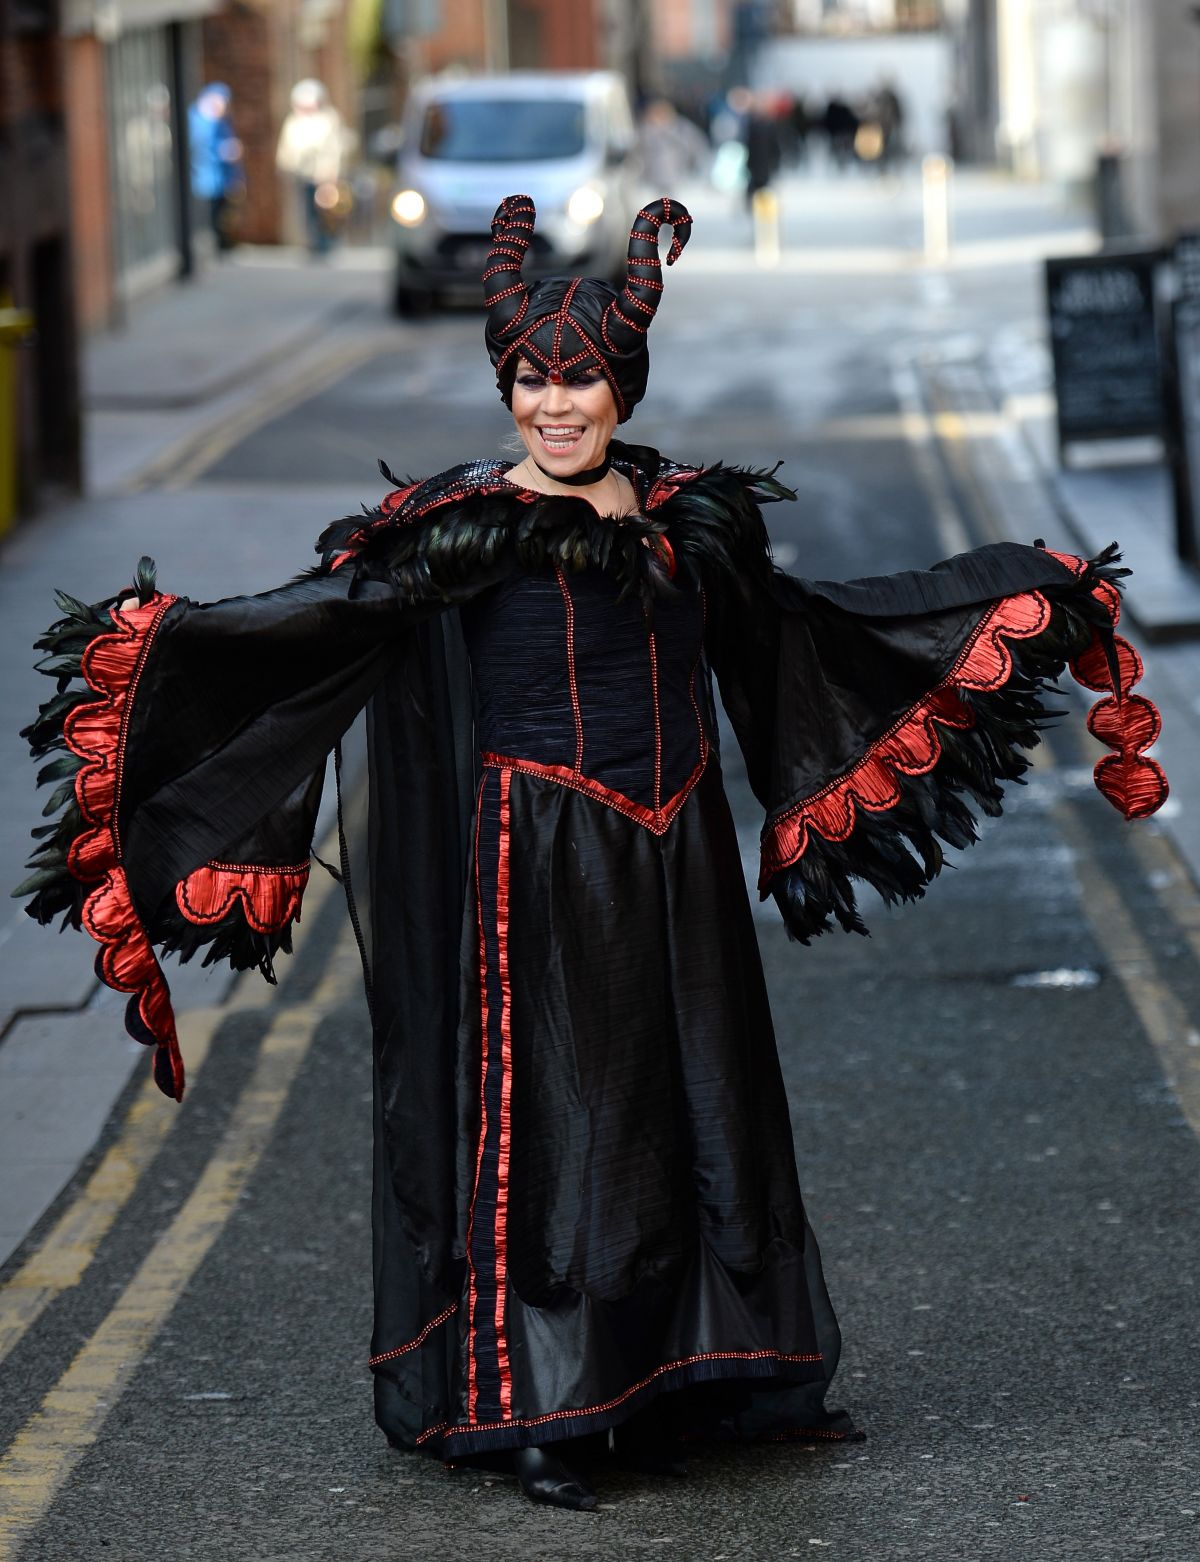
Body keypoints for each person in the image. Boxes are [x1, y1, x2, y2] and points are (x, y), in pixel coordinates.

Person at [17, 194, 1168, 1514]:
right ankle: (532, 1409)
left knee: (689, 1107)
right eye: (529, 380)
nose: (554, 406)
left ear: (623, 387)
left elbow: (808, 632)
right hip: (531, 862)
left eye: (580, 381)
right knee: (556, 1124)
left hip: (676, 858)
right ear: (504, 385)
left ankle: (678, 1374)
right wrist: (150, 657)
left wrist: (1019, 596)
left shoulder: (691, 521)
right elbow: (309, 635)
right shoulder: (453, 535)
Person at [275, 79, 345, 255]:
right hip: (302, 173)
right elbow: (286, 149)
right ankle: (312, 240)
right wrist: (286, 165)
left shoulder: (328, 119)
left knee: (325, 208)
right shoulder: (293, 122)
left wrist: (332, 172)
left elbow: (334, 148)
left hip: (323, 174)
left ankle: (326, 240)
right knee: (306, 208)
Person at [188, 83, 244, 252]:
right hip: (200, 178)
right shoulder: (195, 121)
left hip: (221, 178)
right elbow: (197, 149)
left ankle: (219, 243)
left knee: (221, 213)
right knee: (204, 214)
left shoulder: (222, 122)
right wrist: (220, 153)